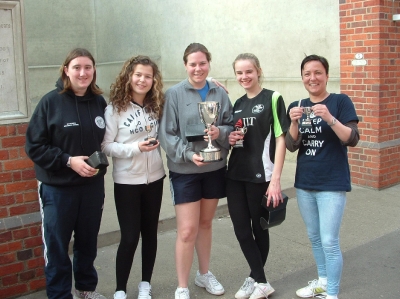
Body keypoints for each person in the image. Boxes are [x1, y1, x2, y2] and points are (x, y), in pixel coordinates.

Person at [25, 48, 107, 299]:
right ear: (66, 70)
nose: (83, 73)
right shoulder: (50, 102)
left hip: (92, 188)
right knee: (58, 247)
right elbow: (34, 146)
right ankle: (60, 295)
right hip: (58, 190)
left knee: (87, 243)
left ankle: (85, 289)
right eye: (77, 67)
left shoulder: (99, 102)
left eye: (88, 67)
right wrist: (68, 161)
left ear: (94, 71)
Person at [158, 43, 233, 299]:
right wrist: (189, 154)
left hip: (214, 168)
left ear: (208, 63)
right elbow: (167, 135)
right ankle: (182, 285)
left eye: (202, 63)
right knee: (187, 230)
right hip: (185, 171)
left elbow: (230, 126)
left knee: (205, 224)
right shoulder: (174, 94)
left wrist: (219, 132)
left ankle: (204, 274)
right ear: (185, 65)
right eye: (193, 64)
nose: (198, 68)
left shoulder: (219, 93)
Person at [285, 55, 359, 299]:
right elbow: (292, 145)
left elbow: (352, 139)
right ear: (303, 77)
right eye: (307, 73)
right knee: (314, 237)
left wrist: (329, 118)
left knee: (329, 240)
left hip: (332, 182)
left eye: (317, 73)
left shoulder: (340, 101)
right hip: (306, 182)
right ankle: (323, 281)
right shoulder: (298, 104)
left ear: (326, 76)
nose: (312, 78)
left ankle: (332, 294)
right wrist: (294, 122)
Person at [101, 55, 165, 299]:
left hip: (155, 179)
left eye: (148, 76)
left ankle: (145, 285)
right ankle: (120, 289)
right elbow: (106, 146)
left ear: (153, 80)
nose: (142, 80)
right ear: (129, 76)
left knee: (150, 234)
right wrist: (135, 148)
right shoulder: (114, 109)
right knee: (129, 237)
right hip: (127, 181)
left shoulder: (156, 104)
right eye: (138, 74)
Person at [226, 53, 289, 299]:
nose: (244, 76)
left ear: (258, 71)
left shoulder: (273, 98)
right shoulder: (237, 103)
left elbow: (281, 138)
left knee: (259, 228)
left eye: (248, 71)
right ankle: (259, 279)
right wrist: (231, 139)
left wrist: (276, 179)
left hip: (261, 176)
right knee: (241, 229)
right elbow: (237, 137)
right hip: (235, 175)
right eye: (239, 73)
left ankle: (256, 279)